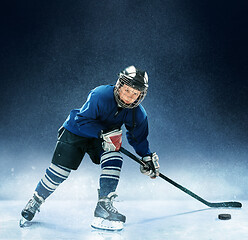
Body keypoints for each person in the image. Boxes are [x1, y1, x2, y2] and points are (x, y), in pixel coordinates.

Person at [19, 65, 160, 231]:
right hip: (76, 131)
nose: (129, 97)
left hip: (102, 138)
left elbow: (138, 137)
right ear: (119, 85)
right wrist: (102, 132)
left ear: (141, 95)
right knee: (59, 172)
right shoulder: (100, 94)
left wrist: (146, 157)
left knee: (114, 156)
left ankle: (104, 204)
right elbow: (82, 120)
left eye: (135, 93)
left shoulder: (138, 113)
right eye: (127, 90)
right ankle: (36, 200)